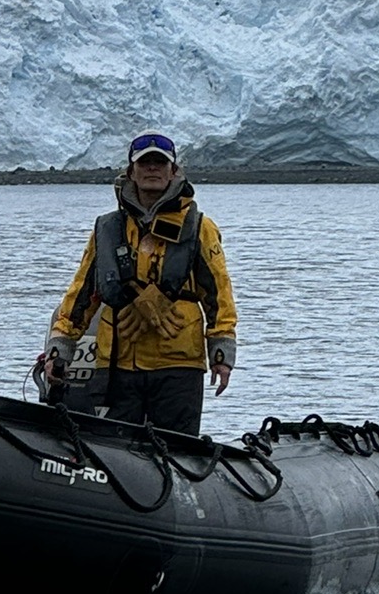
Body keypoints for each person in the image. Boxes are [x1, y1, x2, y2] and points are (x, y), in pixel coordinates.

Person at [44, 132, 236, 437]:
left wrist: (222, 353)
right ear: (131, 170)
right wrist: (60, 348)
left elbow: (218, 295)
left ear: (174, 171)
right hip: (118, 364)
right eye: (144, 162)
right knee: (115, 450)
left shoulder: (200, 228)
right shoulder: (107, 229)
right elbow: (81, 294)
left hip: (177, 363)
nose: (152, 169)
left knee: (177, 449)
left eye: (160, 162)